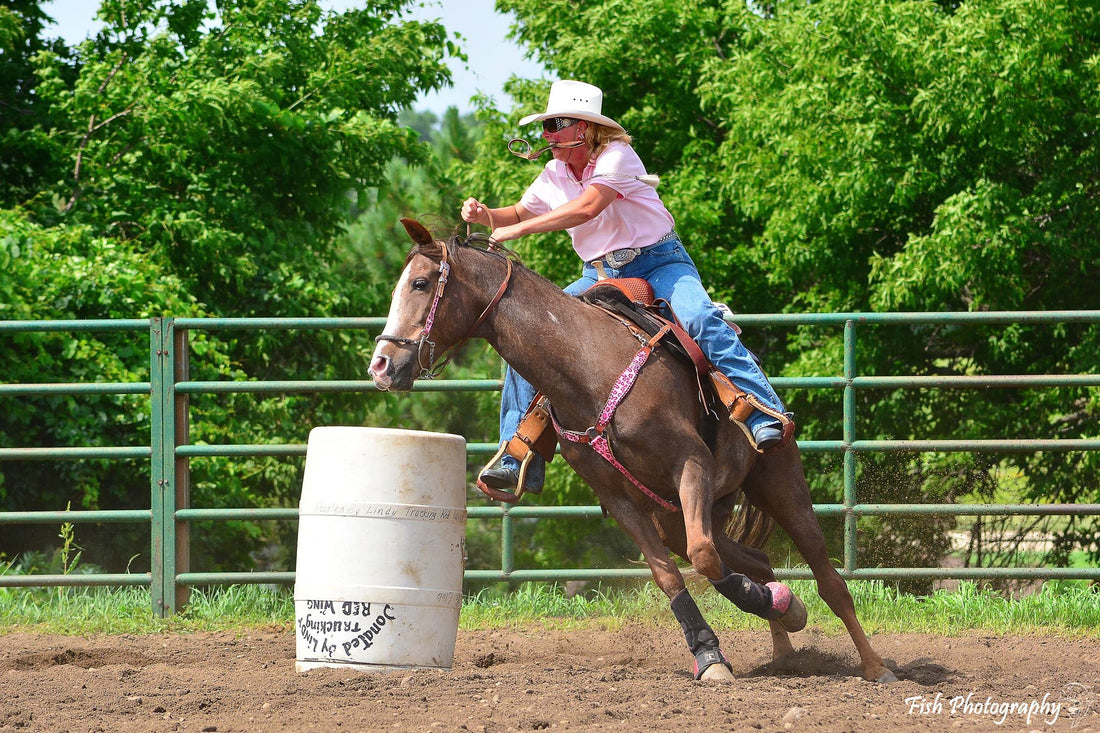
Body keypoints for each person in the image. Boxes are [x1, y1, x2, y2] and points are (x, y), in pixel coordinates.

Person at [461, 80, 787, 493]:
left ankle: (763, 410)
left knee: (702, 317)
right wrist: (485, 214)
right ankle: (517, 452)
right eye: (545, 126)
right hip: (598, 274)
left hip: (660, 263)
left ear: (584, 128)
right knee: (526, 342)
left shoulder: (618, 155)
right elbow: (518, 211)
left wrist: (518, 230)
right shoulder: (554, 171)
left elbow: (587, 207)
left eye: (554, 125)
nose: (545, 135)